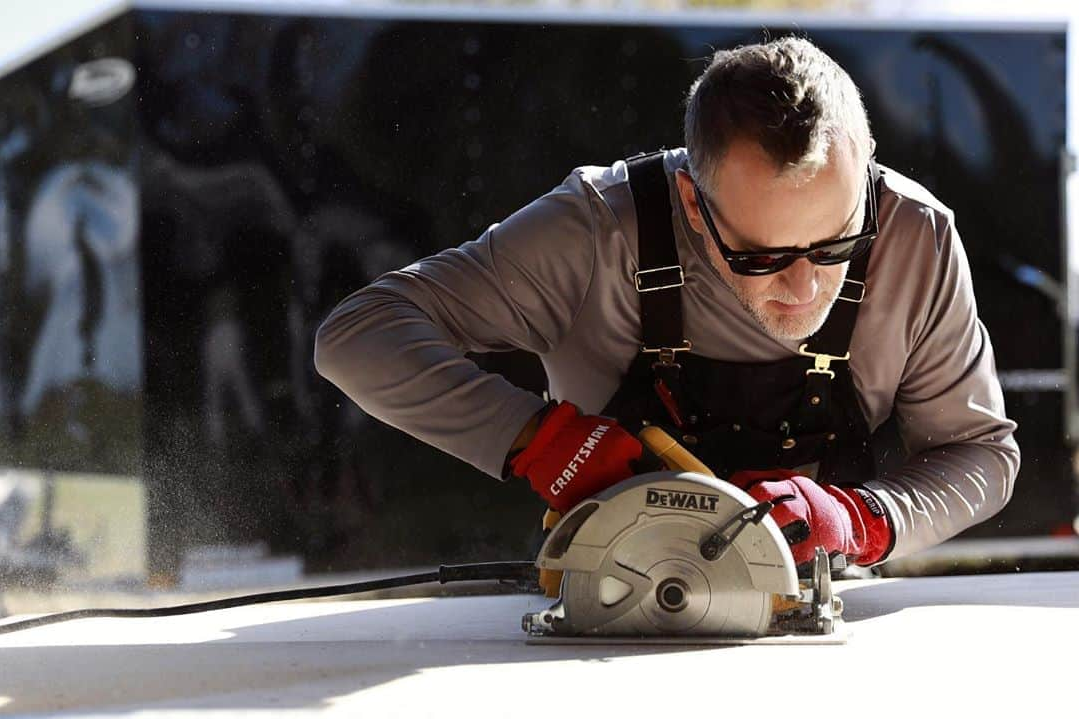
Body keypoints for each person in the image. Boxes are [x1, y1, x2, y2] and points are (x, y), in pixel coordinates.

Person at [314, 37, 1019, 572]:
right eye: (760, 256)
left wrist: (863, 516)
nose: (804, 287)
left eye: (836, 245)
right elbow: (357, 335)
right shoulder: (597, 230)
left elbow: (981, 453)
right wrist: (535, 437)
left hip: (816, 619)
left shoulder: (914, 235)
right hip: (610, 597)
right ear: (692, 201)